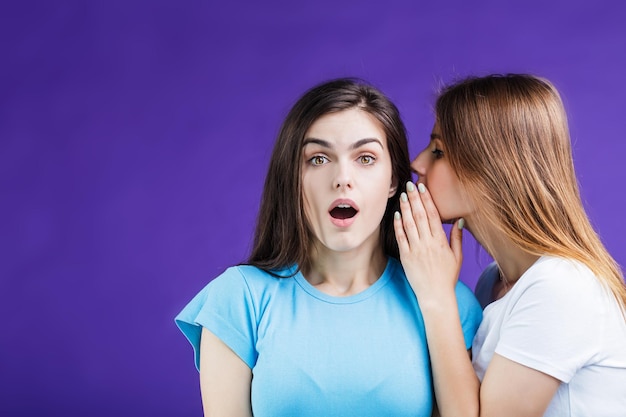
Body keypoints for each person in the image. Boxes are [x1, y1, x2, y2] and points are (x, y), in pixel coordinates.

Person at [175, 78, 482, 417]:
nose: (342, 178)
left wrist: (438, 300)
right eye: (319, 159)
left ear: (393, 179)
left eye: (365, 158)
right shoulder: (238, 299)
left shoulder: (449, 303)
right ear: (293, 176)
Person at [394, 73, 626, 417]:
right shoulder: (495, 281)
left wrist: (436, 295)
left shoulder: (561, 287)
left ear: (491, 170)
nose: (417, 163)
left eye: (438, 151)